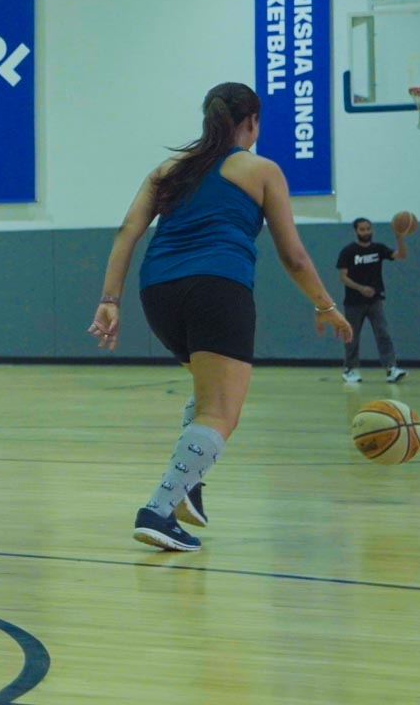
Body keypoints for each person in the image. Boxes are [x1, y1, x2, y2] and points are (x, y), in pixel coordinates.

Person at [89, 82, 353, 552]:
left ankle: (188, 481)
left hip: (158, 291)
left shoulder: (170, 168)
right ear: (251, 121)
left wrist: (110, 298)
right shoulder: (261, 169)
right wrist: (326, 305)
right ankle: (157, 509)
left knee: (206, 393)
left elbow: (128, 230)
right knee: (220, 411)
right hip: (217, 285)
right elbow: (293, 257)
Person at [337, 217, 412, 384]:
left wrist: (399, 237)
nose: (366, 232)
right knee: (352, 336)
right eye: (362, 229)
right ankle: (350, 369)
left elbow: (401, 255)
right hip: (354, 301)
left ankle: (391, 369)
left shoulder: (378, 248)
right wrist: (361, 288)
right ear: (356, 231)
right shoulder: (348, 251)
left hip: (375, 300)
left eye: (368, 229)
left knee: (383, 333)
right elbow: (343, 277)